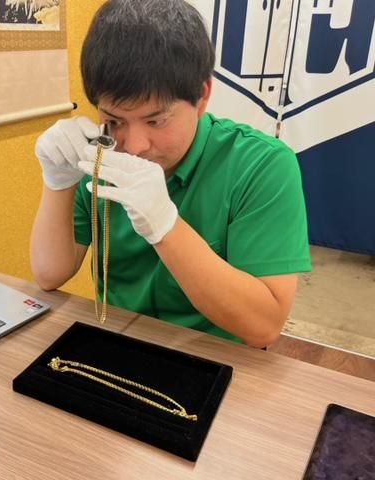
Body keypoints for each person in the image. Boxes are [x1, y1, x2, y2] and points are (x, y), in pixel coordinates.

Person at [30, 0, 311, 347]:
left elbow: (264, 326)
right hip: (118, 343)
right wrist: (57, 181)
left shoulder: (261, 164)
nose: (135, 146)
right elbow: (49, 275)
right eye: (114, 120)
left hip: (217, 356)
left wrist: (166, 227)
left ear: (202, 96)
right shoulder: (101, 153)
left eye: (156, 121)